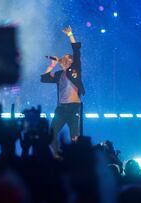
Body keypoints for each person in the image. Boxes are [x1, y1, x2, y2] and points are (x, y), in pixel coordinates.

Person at [40, 26, 85, 154]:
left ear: (71, 61)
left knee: (74, 137)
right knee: (51, 134)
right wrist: (52, 65)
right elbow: (44, 78)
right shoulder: (59, 74)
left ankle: (74, 159)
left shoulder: (75, 69)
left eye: (67, 58)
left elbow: (76, 50)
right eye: (64, 58)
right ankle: (57, 155)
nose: (65, 59)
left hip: (74, 107)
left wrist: (70, 34)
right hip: (61, 108)